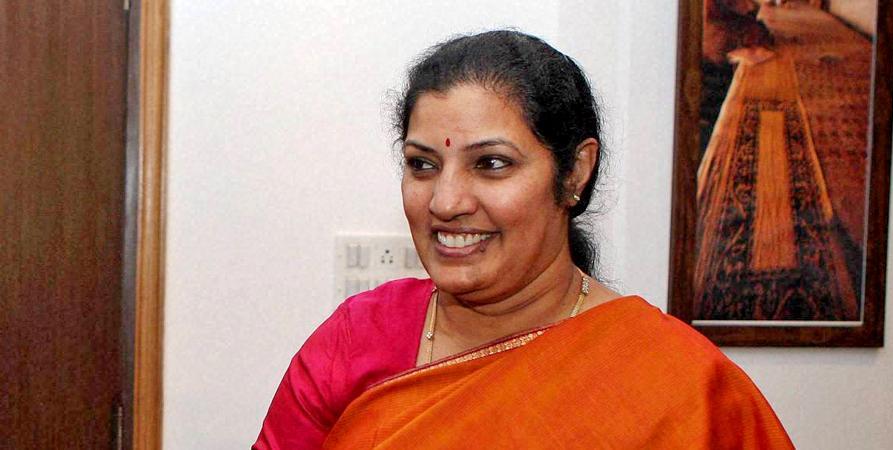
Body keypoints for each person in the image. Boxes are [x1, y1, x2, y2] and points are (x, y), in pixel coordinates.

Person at [253, 30, 793, 449]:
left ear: (575, 171)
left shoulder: (680, 388)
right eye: (422, 164)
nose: (445, 201)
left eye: (491, 164)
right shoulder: (358, 337)